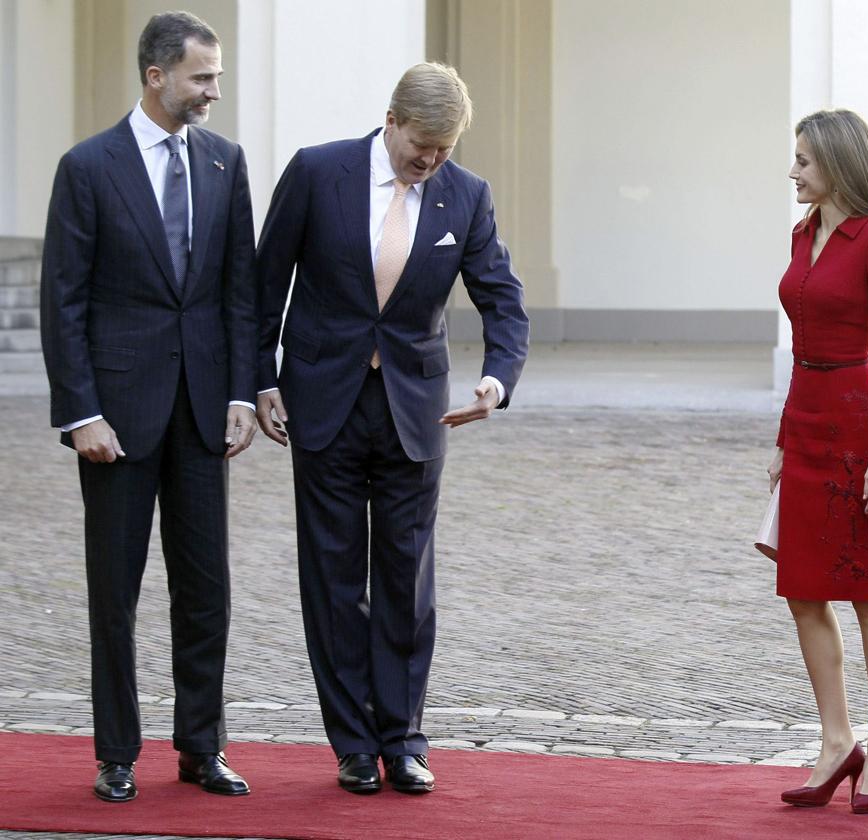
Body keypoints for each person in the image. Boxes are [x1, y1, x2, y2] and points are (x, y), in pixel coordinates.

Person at [255, 62, 529, 796]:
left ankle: (404, 739)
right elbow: (263, 286)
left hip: (415, 411)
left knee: (407, 582)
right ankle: (351, 743)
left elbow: (503, 298)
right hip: (323, 404)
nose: (430, 160)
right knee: (335, 578)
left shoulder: (466, 196)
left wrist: (496, 381)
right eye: (422, 145)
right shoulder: (318, 173)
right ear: (392, 119)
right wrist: (262, 381)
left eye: (444, 148)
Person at [39, 11, 257, 803]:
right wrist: (81, 411)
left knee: (207, 591)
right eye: (203, 77)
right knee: (116, 592)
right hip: (117, 420)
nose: (214, 91)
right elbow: (61, 300)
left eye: (218, 76)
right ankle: (116, 754)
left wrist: (240, 391)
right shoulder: (88, 167)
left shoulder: (227, 164)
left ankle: (203, 747)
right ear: (156, 76)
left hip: (203, 411)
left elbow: (241, 292)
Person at [767, 110, 868, 814]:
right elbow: (800, 347)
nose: (792, 171)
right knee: (803, 589)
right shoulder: (803, 232)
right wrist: (785, 438)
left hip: (856, 418)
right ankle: (835, 740)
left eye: (803, 161)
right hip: (809, 417)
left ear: (838, 165)